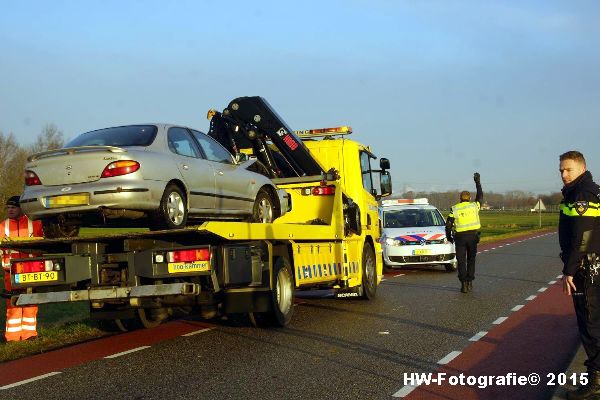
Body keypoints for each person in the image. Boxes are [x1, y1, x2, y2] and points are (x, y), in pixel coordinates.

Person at [558, 151, 600, 400]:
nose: (563, 174)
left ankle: (595, 381)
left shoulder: (583, 194)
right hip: (592, 267)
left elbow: (582, 238)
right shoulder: (585, 191)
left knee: (590, 325)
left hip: (587, 270)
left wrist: (569, 270)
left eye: (568, 170)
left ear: (582, 168)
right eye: (561, 170)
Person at [1, 196, 44, 342]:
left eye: (13, 207)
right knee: (13, 303)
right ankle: (12, 337)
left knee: (30, 301)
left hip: (32, 271)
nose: (10, 210)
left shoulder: (36, 224)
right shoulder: (2, 226)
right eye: (8, 208)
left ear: (21, 208)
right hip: (10, 271)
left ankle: (29, 334)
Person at [445, 172, 483, 293]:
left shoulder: (455, 208)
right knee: (471, 259)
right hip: (473, 236)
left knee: (461, 261)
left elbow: (449, 224)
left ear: (460, 198)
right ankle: (470, 281)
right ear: (470, 198)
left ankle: (463, 284)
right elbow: (480, 197)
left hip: (460, 238)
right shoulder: (474, 206)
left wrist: (449, 236)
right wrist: (477, 182)